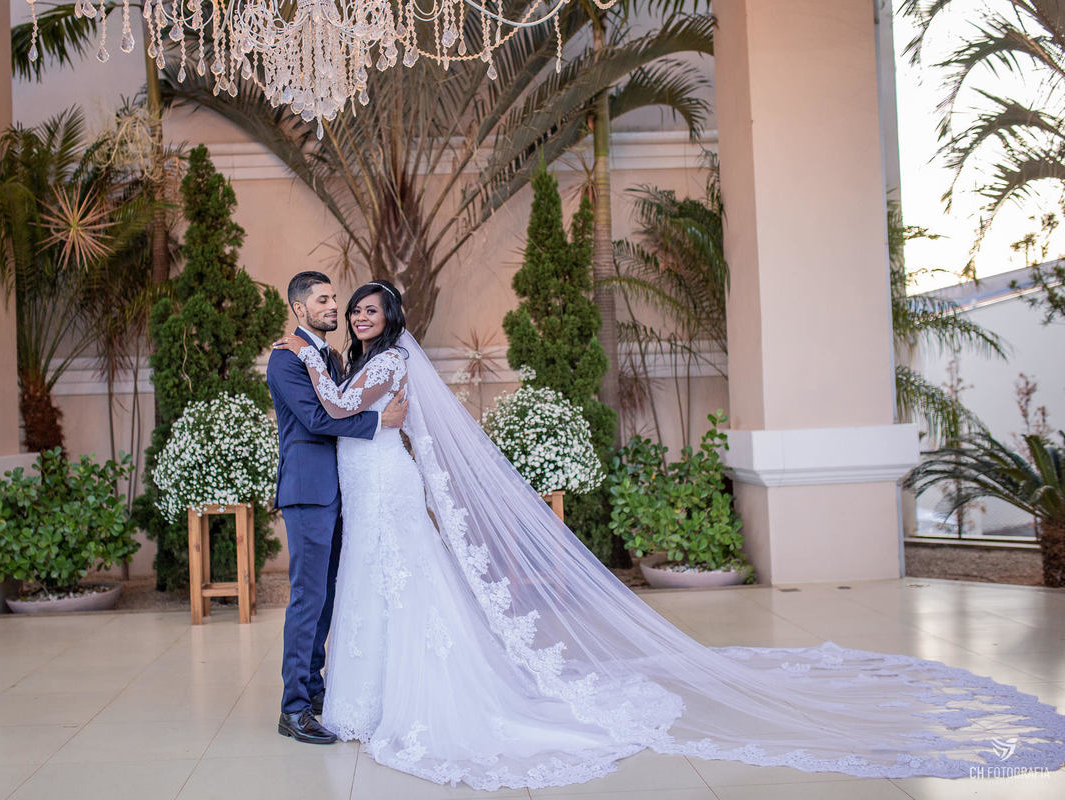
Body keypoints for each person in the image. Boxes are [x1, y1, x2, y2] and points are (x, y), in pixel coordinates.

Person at [273, 279, 1065, 790]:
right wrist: (341, 394)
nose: (358, 315)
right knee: (367, 591)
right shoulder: (333, 359)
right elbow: (338, 413)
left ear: (393, 317)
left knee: (401, 585)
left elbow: (346, 417)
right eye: (352, 309)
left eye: (370, 308)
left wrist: (352, 403)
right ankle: (355, 702)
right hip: (362, 486)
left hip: (384, 486)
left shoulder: (384, 363)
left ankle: (388, 703)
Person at [265, 271, 407, 746]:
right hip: (308, 490)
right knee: (308, 597)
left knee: (329, 595)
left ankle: (317, 690)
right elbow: (317, 418)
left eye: (334, 299)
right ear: (299, 309)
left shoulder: (330, 356)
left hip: (346, 488)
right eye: (323, 300)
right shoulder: (287, 359)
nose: (335, 307)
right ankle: (294, 708)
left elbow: (340, 402)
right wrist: (377, 422)